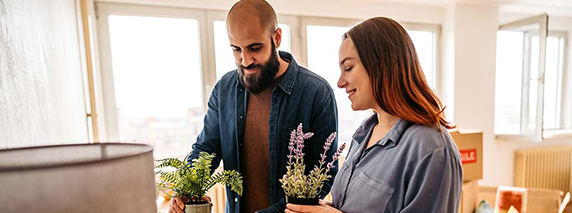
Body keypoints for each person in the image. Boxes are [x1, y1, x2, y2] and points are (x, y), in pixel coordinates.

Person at [169, 0, 339, 213]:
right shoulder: (224, 89)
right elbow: (206, 150)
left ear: (276, 37)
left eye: (255, 48)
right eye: (236, 49)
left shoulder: (316, 92)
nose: (245, 60)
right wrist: (186, 186)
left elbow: (323, 176)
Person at [285, 17, 462, 213]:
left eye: (349, 68)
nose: (340, 82)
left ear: (381, 64)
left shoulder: (432, 149)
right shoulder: (363, 135)